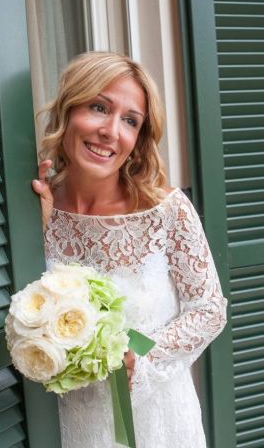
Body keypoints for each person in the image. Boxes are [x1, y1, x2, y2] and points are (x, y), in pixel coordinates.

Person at [32, 51, 227, 448]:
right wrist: (38, 226)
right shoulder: (34, 209)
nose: (110, 131)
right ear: (69, 110)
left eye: (130, 121)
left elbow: (209, 308)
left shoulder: (166, 210)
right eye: (99, 107)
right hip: (68, 425)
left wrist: (140, 354)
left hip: (158, 422)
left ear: (138, 140)